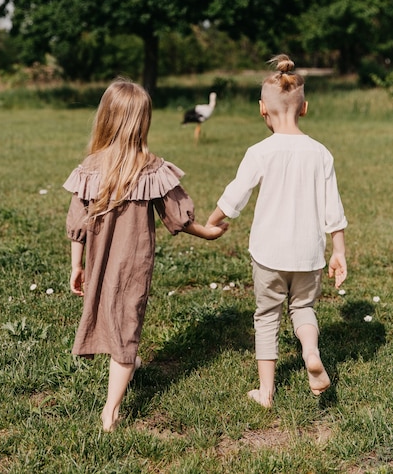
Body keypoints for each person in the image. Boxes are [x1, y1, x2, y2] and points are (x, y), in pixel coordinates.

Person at [63, 78, 228, 431]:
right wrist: (208, 233)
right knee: (127, 320)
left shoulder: (91, 167)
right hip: (134, 263)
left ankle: (126, 361)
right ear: (143, 122)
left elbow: (77, 222)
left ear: (105, 118)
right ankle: (111, 410)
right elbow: (179, 216)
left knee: (111, 314)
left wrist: (77, 264)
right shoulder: (150, 167)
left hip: (100, 263)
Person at [205, 55, 347, 407]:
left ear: (261, 110)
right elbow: (334, 209)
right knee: (303, 308)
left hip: (268, 254)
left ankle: (266, 392)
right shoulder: (320, 153)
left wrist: (213, 219)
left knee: (267, 316)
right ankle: (311, 352)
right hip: (309, 255)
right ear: (305, 108)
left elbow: (236, 194)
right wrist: (339, 251)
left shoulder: (260, 152)